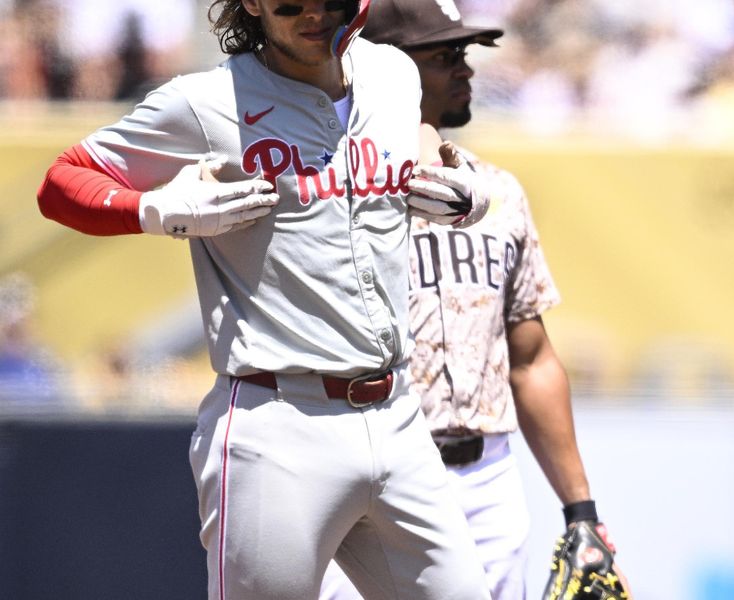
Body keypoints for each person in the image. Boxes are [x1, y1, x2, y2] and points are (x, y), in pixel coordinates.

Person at [36, 1, 494, 598]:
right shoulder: (207, 101)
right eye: (289, 4)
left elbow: (414, 140)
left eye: (329, 1)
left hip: (398, 412)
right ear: (252, 3)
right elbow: (62, 182)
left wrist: (456, 180)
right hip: (277, 422)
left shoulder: (391, 73)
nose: (312, 16)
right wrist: (152, 210)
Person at [320, 0, 632, 598]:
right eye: (443, 56)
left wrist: (581, 511)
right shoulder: (330, 191)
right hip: (369, 474)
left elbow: (533, 359)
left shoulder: (499, 194)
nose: (464, 70)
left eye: (463, 54)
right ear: (384, 70)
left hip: (486, 477)